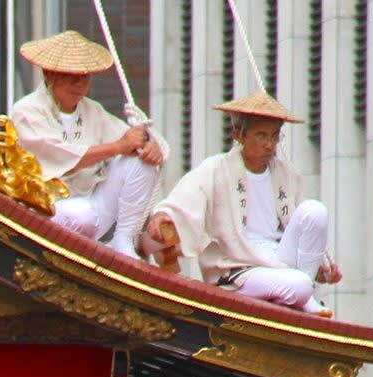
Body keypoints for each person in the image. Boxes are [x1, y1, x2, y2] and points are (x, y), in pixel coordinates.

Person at [147, 92, 342, 316]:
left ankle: (306, 294)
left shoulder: (287, 175)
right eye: (261, 136)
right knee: (298, 284)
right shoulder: (216, 168)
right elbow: (184, 198)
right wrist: (164, 215)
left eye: (274, 136)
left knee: (315, 211)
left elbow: (303, 229)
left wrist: (320, 265)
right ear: (239, 134)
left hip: (279, 259)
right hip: (237, 267)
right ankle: (303, 292)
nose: (269, 145)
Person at [11, 31, 166, 259]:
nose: (79, 84)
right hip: (46, 212)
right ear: (49, 73)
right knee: (80, 215)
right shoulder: (27, 111)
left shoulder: (93, 111)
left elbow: (133, 140)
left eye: (84, 77)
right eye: (70, 76)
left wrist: (151, 146)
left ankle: (123, 240)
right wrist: (117, 147)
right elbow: (60, 158)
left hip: (93, 207)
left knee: (140, 163)